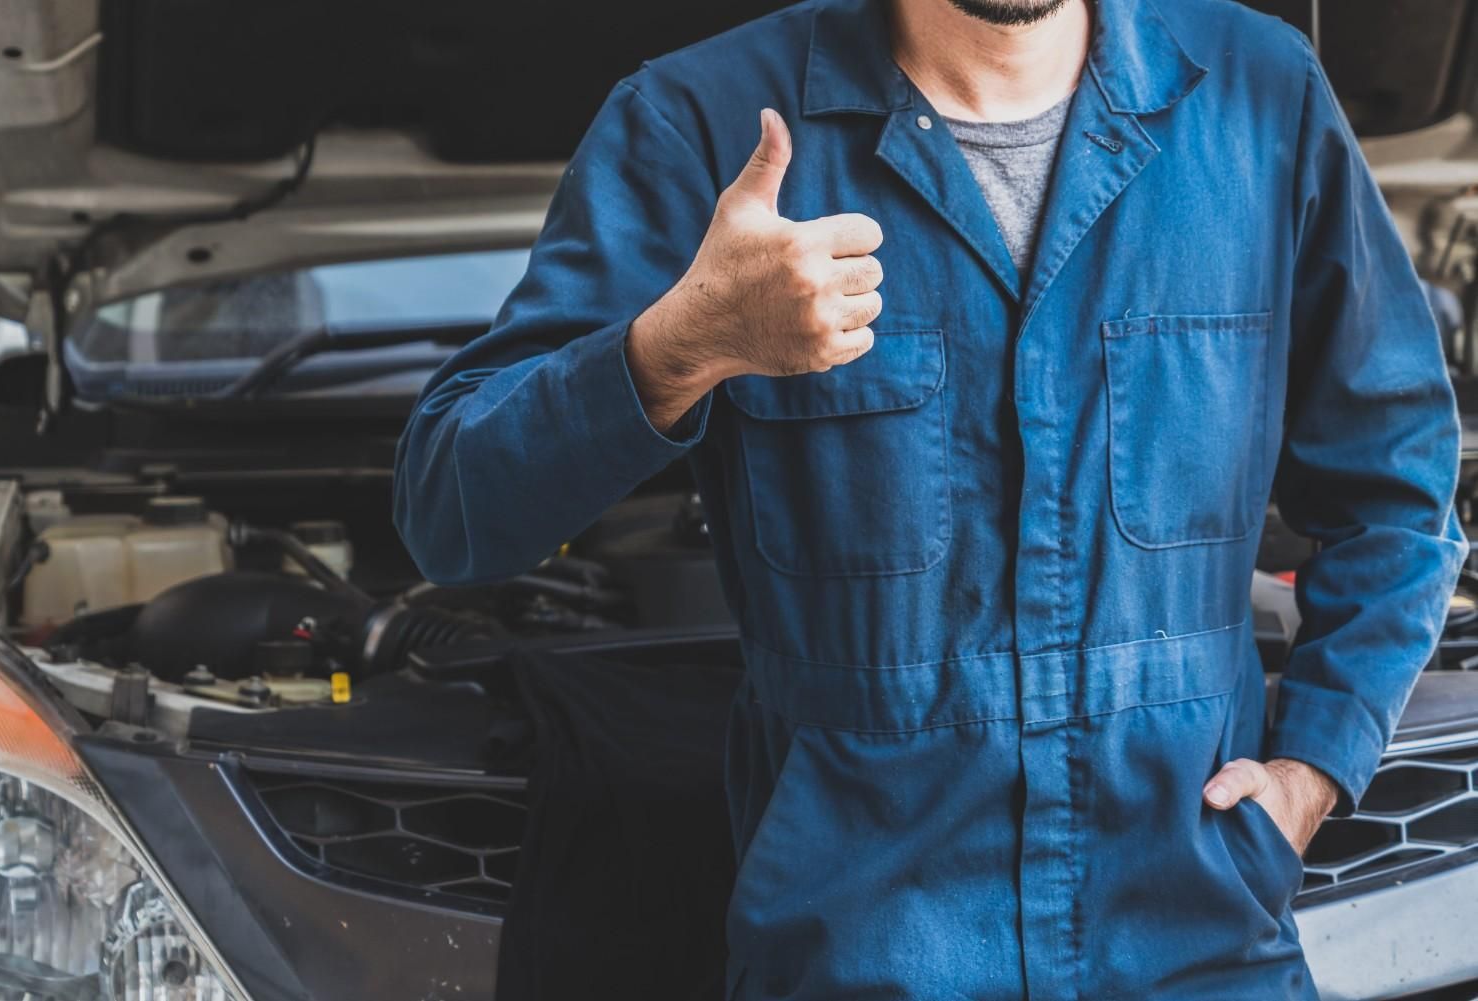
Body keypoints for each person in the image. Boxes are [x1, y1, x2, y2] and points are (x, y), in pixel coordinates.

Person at [393, 0, 1467, 996]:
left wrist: (1316, 763)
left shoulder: (1257, 93)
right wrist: (679, 347)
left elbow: (1399, 489)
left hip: (1203, 940)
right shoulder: (698, 125)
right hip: (863, 952)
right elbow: (451, 506)